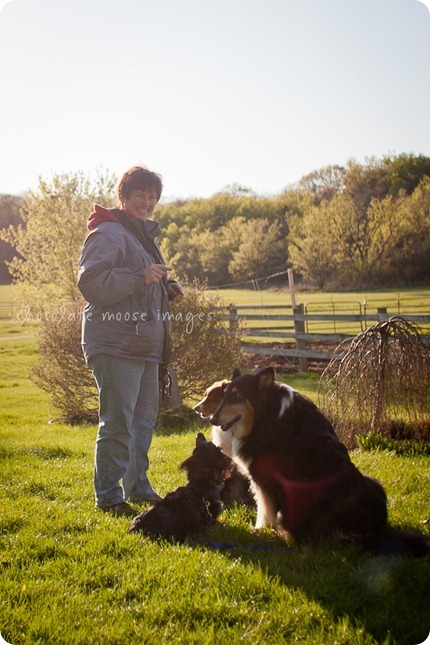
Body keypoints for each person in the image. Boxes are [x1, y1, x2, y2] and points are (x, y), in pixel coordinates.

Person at [77, 166, 184, 515]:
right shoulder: (108, 232)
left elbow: (143, 284)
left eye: (153, 197)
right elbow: (92, 283)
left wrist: (165, 287)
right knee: (118, 423)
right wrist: (139, 277)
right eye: (141, 195)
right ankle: (108, 498)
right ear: (123, 196)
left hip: (145, 346)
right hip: (114, 343)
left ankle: (138, 488)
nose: (148, 202)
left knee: (142, 423)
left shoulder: (143, 237)